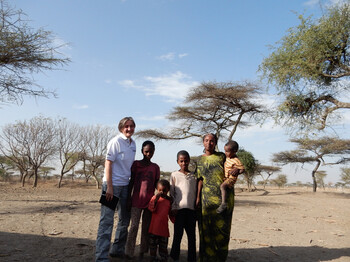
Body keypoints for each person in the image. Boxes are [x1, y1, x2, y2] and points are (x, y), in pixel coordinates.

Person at [95, 117, 136, 262]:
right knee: (107, 221)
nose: (129, 129)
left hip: (125, 186)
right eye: (126, 126)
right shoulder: (115, 142)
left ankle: (117, 250)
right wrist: (110, 188)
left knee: (125, 219)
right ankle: (101, 257)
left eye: (131, 126)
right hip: (111, 186)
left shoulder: (133, 144)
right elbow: (108, 164)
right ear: (121, 128)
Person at [196, 133, 235, 262]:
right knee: (207, 230)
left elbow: (235, 165)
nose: (209, 143)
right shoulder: (199, 160)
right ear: (203, 142)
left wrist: (237, 171)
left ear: (215, 143)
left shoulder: (222, 156)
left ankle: (220, 259)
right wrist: (197, 199)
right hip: (206, 200)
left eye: (212, 141)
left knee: (222, 230)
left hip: (223, 199)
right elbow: (200, 181)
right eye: (206, 140)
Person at [125, 141, 160, 260]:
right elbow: (131, 181)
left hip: (149, 202)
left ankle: (143, 251)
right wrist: (128, 198)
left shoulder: (155, 167)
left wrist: (160, 197)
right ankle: (129, 252)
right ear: (142, 151)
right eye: (146, 151)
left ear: (154, 152)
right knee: (134, 226)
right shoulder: (136, 164)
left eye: (151, 151)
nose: (148, 154)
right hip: (136, 200)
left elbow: (157, 184)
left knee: (146, 227)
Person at [170, 150, 197, 262]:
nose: (184, 163)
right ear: (177, 162)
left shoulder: (194, 176)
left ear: (189, 161)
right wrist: (173, 207)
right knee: (177, 235)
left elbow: (195, 192)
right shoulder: (174, 175)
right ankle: (174, 256)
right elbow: (172, 193)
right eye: (181, 161)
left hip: (191, 210)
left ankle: (192, 258)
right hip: (179, 210)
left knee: (192, 237)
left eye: (186, 161)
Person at [148, 179, 173, 262]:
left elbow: (171, 214)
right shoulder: (154, 198)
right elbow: (151, 208)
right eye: (160, 190)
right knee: (153, 246)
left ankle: (163, 258)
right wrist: (156, 198)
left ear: (168, 190)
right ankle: (153, 258)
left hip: (163, 229)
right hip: (153, 228)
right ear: (156, 189)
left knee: (163, 246)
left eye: (164, 191)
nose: (162, 192)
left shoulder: (169, 201)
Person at [216, 140, 245, 213]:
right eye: (225, 151)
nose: (225, 153)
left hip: (231, 178)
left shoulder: (236, 160)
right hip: (226, 177)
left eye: (227, 151)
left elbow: (242, 169)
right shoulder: (228, 158)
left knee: (222, 186)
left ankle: (224, 204)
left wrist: (237, 171)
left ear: (234, 151)